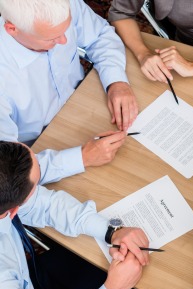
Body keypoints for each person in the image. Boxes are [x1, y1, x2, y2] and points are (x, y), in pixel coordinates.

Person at [0, 141, 170, 289]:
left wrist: (111, 232)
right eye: (33, 192)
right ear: (11, 212)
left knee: (97, 262)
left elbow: (46, 205)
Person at [0, 0, 139, 185]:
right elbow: (7, 171)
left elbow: (100, 35)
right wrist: (81, 158)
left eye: (66, 29)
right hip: (40, 150)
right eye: (51, 38)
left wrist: (116, 81)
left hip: (84, 103)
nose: (64, 41)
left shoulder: (64, 5)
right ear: (12, 29)